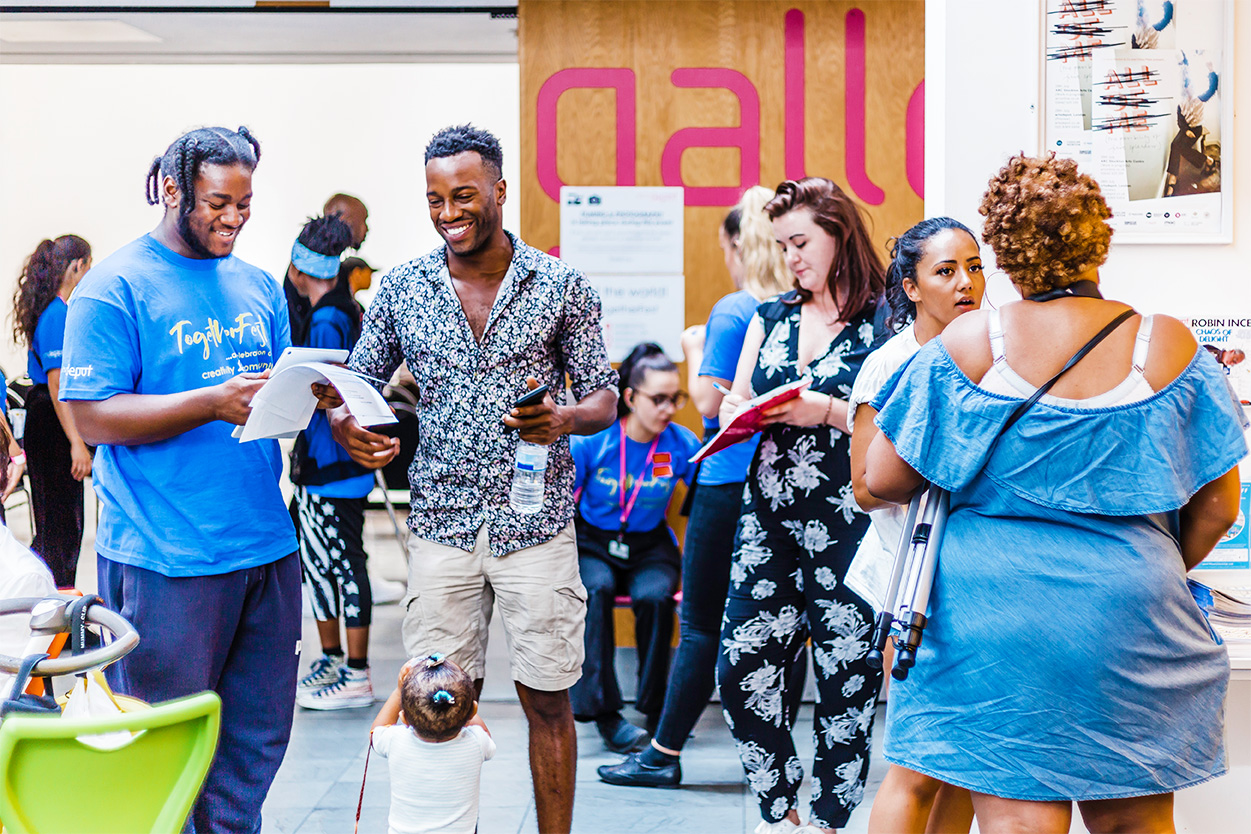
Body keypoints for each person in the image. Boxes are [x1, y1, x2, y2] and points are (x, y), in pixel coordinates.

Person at [864, 154, 1245, 834]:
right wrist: (1139, 566)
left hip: (991, 618)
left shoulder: (968, 345)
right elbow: (1218, 506)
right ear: (1099, 236)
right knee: (1135, 821)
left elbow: (882, 480)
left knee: (1018, 824)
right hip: (1129, 615)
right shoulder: (1168, 346)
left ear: (1004, 254)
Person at [329, 123, 617, 834]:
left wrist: (565, 418)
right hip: (441, 525)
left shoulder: (560, 284)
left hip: (537, 525)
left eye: (463, 195)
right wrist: (345, 425)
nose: (448, 212)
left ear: (499, 190)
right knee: (438, 703)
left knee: (547, 699)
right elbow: (355, 383)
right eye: (434, 199)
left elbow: (604, 396)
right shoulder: (402, 287)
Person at [59, 126, 300, 833]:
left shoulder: (257, 285)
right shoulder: (114, 288)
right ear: (172, 189)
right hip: (167, 555)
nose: (234, 218)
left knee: (255, 742)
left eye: (245, 204)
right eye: (218, 203)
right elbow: (93, 416)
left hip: (264, 544)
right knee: (164, 743)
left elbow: (277, 395)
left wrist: (334, 413)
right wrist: (209, 401)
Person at [599, 186, 793, 788]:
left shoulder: (736, 310)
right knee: (784, 623)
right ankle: (776, 759)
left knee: (704, 622)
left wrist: (694, 348)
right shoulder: (800, 308)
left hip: (729, 480)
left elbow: (710, 404)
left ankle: (662, 753)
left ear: (738, 244)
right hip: (786, 486)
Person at [715, 177, 885, 834]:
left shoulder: (885, 325)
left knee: (847, 682)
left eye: (800, 242)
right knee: (741, 667)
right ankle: (776, 801)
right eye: (782, 245)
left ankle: (829, 818)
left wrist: (829, 412)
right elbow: (735, 398)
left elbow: (897, 428)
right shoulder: (772, 317)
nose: (791, 259)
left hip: (851, 521)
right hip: (770, 520)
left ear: (840, 235)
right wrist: (737, 411)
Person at [845, 217, 984, 834]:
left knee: (964, 765)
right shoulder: (892, 365)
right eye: (946, 270)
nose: (966, 283)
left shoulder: (996, 354)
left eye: (975, 266)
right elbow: (865, 490)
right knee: (919, 763)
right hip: (912, 580)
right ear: (910, 287)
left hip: (980, 576)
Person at [568, 342, 700, 752]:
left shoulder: (680, 443)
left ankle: (658, 706)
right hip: (593, 541)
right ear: (630, 398)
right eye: (658, 399)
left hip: (649, 543)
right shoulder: (594, 442)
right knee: (596, 591)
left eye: (675, 398)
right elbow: (563, 503)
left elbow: (702, 499)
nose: (669, 409)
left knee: (656, 597)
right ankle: (605, 713)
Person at [281, 214, 379, 711]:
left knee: (335, 566)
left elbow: (321, 392)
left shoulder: (325, 319)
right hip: (337, 465)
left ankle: (355, 672)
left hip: (330, 465)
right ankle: (336, 660)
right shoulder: (346, 310)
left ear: (301, 270)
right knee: (332, 564)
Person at [11, 234, 93, 586]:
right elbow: (58, 386)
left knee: (52, 524)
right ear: (76, 267)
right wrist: (77, 441)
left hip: (44, 419)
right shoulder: (57, 315)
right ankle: (60, 613)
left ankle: (49, 601)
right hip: (52, 421)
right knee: (63, 525)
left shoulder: (51, 311)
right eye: (89, 267)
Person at [370, 654, 496, 834]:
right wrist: (466, 709)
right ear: (472, 711)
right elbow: (487, 737)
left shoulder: (395, 739)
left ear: (403, 718)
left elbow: (376, 732)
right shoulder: (476, 742)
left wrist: (399, 692)